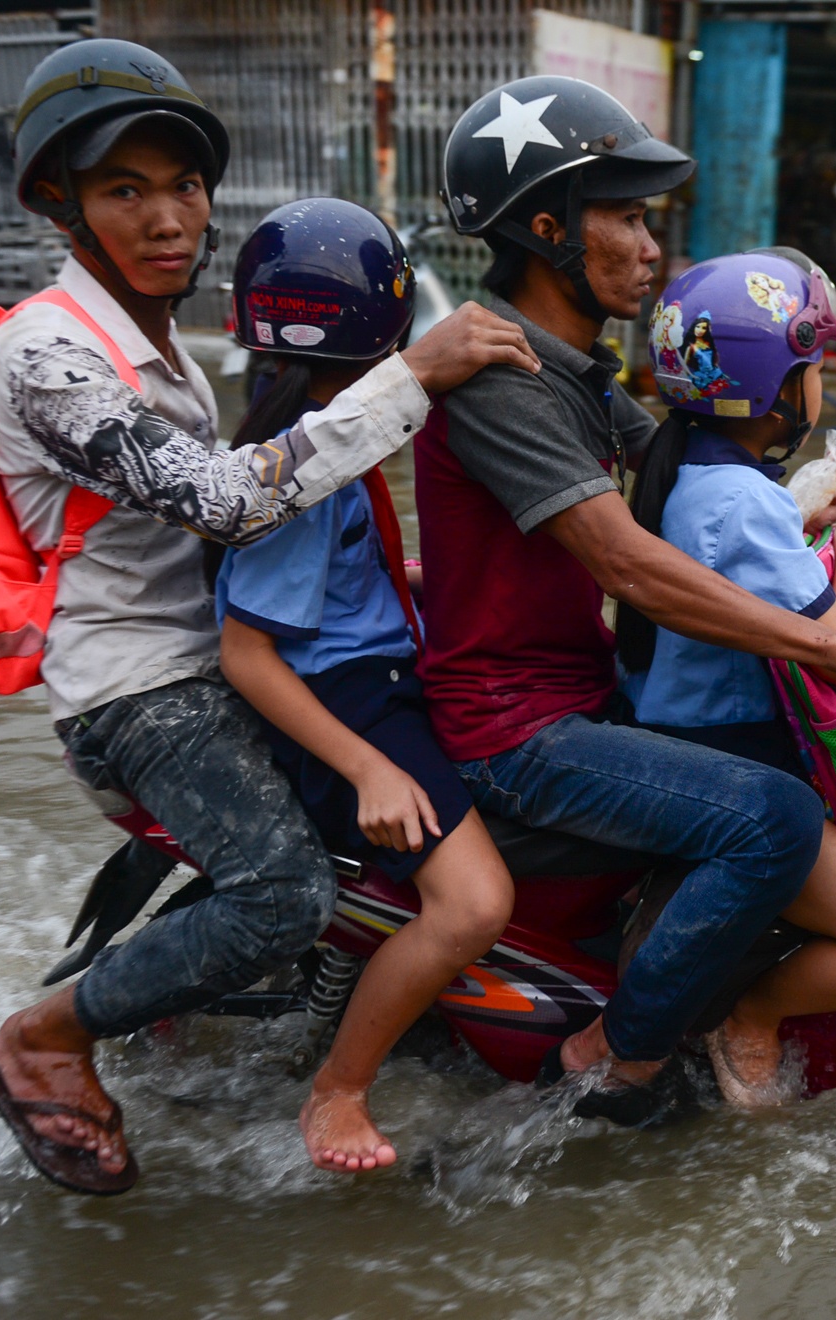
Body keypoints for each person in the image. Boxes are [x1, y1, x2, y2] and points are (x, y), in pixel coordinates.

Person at [0, 40, 535, 1195]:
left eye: (182, 186)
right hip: (143, 690)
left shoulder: (162, 345)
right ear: (58, 202)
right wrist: (415, 376)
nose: (168, 215)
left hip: (218, 663)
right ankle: (45, 1036)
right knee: (287, 893)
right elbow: (226, 502)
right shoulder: (47, 351)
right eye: (124, 189)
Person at [420, 76, 836, 1123]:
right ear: (549, 229)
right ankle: (621, 1052)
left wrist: (833, 538)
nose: (648, 247)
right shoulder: (502, 374)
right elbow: (630, 564)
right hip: (518, 731)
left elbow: (698, 473)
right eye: (625, 218)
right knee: (768, 812)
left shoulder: (576, 370)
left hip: (583, 692)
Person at [213, 199, 514, 1172]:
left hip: (381, 669)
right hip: (352, 707)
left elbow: (343, 585)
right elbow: (247, 652)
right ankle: (339, 1089)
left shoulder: (315, 443)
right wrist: (371, 771)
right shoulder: (309, 464)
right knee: (475, 905)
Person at [620, 250, 836, 1105]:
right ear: (771, 384)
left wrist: (818, 546)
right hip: (736, 765)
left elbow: (756, 588)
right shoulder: (741, 500)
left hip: (684, 736)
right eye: (810, 367)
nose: (817, 384)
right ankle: (754, 1011)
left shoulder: (689, 470)